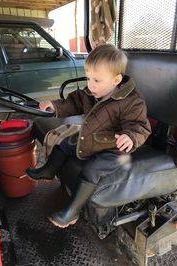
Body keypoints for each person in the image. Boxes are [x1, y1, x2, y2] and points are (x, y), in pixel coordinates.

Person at [26, 44, 151, 228]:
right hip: (92, 137)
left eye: (97, 80)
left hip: (115, 148)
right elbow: (73, 102)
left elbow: (140, 126)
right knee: (65, 142)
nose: (90, 85)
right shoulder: (92, 92)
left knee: (92, 169)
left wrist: (130, 137)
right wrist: (54, 105)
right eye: (88, 78)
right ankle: (49, 170)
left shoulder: (132, 101)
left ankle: (72, 211)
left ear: (116, 79)